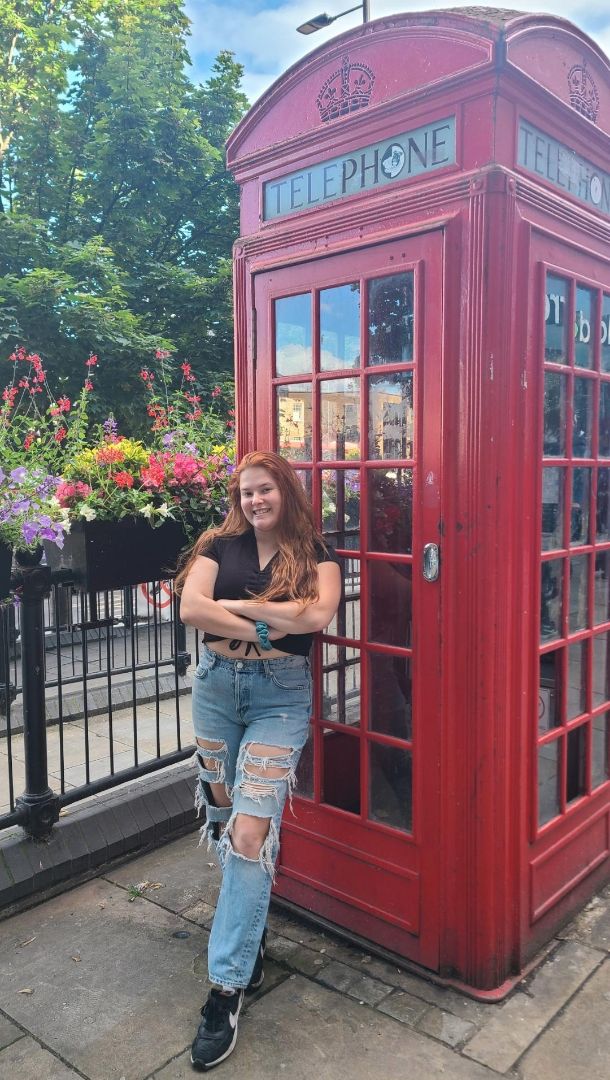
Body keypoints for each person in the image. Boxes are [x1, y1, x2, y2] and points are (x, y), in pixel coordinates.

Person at [175, 450, 341, 1071]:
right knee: (222, 815)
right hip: (216, 690)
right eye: (246, 492)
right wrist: (272, 620)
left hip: (280, 696)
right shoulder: (219, 544)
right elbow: (192, 608)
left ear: (285, 492)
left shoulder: (318, 555)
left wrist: (238, 613)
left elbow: (319, 615)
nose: (254, 500)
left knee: (250, 832)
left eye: (264, 489)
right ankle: (251, 934)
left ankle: (225, 990)